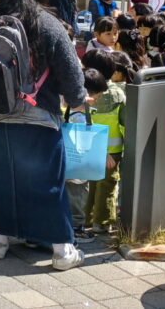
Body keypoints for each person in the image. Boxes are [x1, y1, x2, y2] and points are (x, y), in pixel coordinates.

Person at [0, 0, 87, 272]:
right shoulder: (46, 23)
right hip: (38, 115)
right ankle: (62, 250)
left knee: (0, 179)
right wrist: (78, 101)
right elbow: (71, 76)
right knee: (45, 182)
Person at [81, 49, 126, 237]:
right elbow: (124, 122)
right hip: (112, 149)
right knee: (107, 185)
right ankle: (103, 221)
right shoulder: (118, 94)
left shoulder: (81, 92)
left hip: (86, 148)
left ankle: (86, 218)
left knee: (89, 183)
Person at [69, 67, 109, 244]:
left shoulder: (64, 104)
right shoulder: (81, 112)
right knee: (77, 197)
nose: (96, 101)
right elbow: (85, 140)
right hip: (77, 166)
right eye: (98, 97)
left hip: (62, 161)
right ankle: (76, 229)